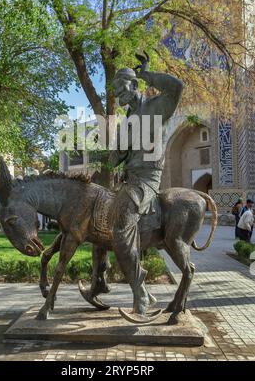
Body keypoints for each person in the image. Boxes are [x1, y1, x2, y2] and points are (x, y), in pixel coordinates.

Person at [109, 52, 183, 318]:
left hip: (148, 178)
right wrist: (117, 151)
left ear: (134, 85)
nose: (119, 96)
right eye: (116, 91)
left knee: (120, 227)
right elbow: (117, 157)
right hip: (130, 177)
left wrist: (147, 74)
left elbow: (177, 87)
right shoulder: (127, 121)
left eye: (122, 88)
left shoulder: (155, 107)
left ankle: (140, 294)